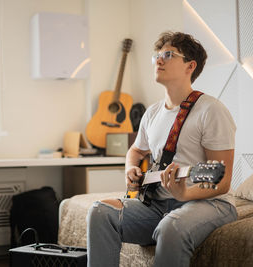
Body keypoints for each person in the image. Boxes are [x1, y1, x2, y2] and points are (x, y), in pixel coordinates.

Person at [86, 31, 238, 267]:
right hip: (157, 204)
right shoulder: (153, 113)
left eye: (168, 54)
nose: (159, 60)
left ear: (190, 65)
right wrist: (130, 169)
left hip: (209, 202)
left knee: (172, 226)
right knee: (100, 212)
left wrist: (185, 194)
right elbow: (135, 151)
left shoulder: (211, 110)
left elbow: (223, 180)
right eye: (157, 55)